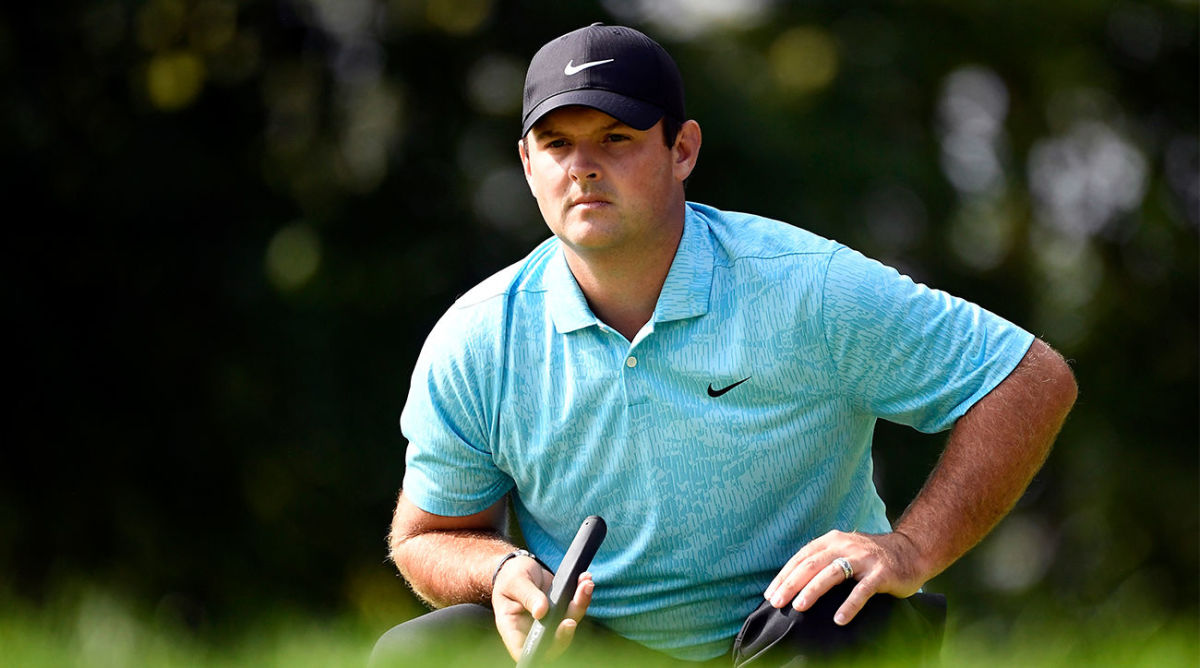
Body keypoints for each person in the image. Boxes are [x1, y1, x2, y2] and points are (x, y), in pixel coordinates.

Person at [372, 23, 1077, 666]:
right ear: (528, 165)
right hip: (595, 649)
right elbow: (427, 535)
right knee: (412, 655)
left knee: (851, 624)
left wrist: (912, 548)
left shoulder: (804, 285)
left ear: (681, 150)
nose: (582, 166)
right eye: (557, 144)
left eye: (615, 138)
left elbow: (1029, 376)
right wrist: (498, 571)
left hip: (797, 635)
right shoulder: (479, 337)